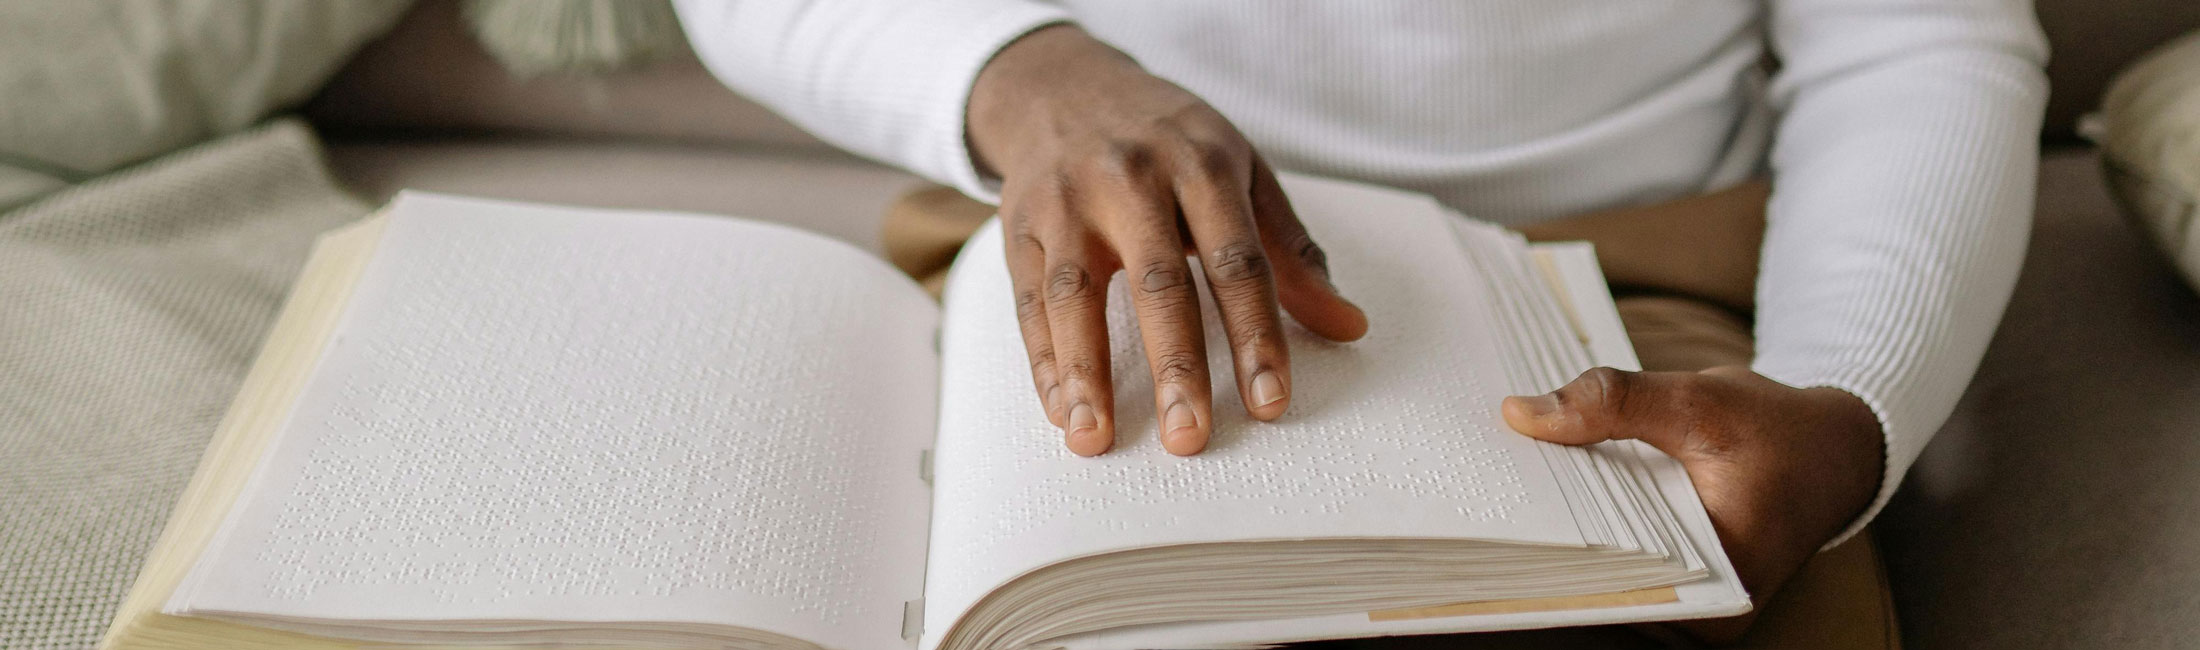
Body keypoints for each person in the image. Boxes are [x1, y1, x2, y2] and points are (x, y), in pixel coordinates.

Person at [671, 1, 2047, 645]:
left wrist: (1848, 400)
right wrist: (1018, 72)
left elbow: (1916, 40)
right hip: (1069, 231)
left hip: (1626, 278)